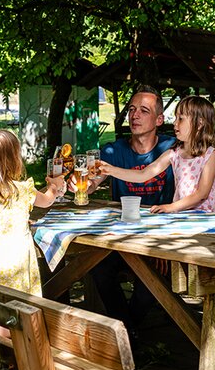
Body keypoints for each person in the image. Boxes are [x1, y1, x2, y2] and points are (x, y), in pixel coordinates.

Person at [71, 85, 176, 337]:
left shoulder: (172, 150)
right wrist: (83, 184)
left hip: (161, 236)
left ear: (159, 120)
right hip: (122, 238)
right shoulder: (113, 150)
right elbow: (94, 180)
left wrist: (164, 244)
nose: (135, 115)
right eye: (131, 109)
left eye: (144, 110)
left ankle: (125, 334)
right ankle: (127, 333)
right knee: (97, 267)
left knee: (154, 280)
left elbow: (190, 194)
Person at [0, 129, 65, 296]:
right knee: (22, 304)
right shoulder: (21, 190)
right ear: (13, 159)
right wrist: (53, 186)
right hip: (16, 258)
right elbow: (47, 200)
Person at [100, 95, 215, 213]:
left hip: (206, 215)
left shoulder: (210, 154)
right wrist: (109, 170)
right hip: (182, 216)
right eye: (175, 117)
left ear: (199, 124)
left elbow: (202, 194)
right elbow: (143, 175)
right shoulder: (174, 153)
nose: (174, 123)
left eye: (181, 118)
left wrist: (170, 207)